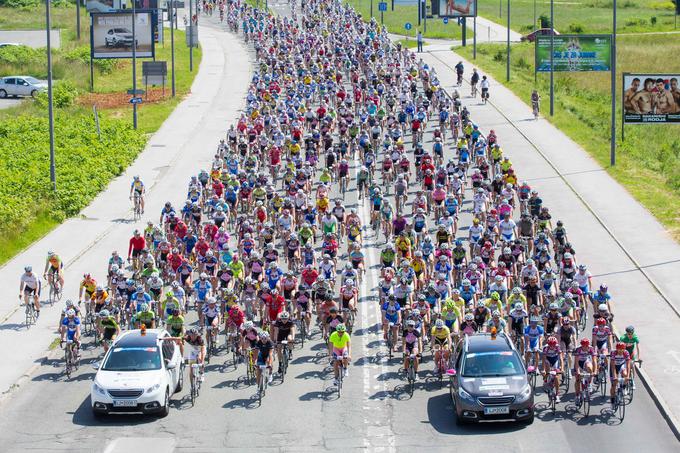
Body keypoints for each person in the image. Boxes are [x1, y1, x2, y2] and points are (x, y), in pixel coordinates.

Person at [609, 342, 631, 408]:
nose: (621, 350)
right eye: (619, 349)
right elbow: (613, 367)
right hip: (614, 367)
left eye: (622, 349)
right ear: (617, 349)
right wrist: (615, 376)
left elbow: (628, 365)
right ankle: (612, 401)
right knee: (614, 384)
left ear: (624, 349)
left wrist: (627, 376)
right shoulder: (613, 353)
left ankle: (623, 388)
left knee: (625, 374)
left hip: (622, 365)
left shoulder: (626, 353)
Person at [620, 325, 640, 389]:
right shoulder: (623, 338)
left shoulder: (635, 337)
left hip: (631, 353)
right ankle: (623, 382)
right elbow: (619, 349)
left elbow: (638, 348)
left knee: (633, 365)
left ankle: (632, 381)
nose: (630, 335)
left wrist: (639, 357)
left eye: (631, 334)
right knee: (624, 367)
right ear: (626, 333)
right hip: (624, 353)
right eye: (628, 334)